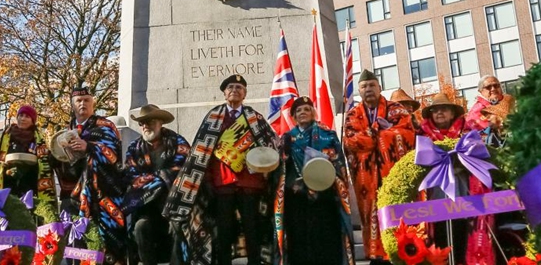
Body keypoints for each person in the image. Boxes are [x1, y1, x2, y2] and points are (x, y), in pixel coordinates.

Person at [163, 74, 278, 265]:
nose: (235, 90)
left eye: (239, 88)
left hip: (250, 185)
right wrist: (207, 181)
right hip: (222, 184)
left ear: (245, 93)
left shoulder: (255, 118)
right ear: (224, 93)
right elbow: (201, 153)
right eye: (230, 87)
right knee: (224, 232)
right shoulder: (213, 117)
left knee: (253, 231)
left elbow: (270, 147)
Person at [343, 69, 415, 262]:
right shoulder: (352, 115)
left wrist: (379, 136)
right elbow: (351, 142)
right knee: (370, 217)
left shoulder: (396, 109)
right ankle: (375, 256)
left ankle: (400, 254)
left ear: (380, 88)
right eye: (364, 86)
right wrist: (380, 132)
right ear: (359, 91)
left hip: (393, 175)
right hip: (367, 179)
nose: (368, 89)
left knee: (399, 216)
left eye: (372, 85)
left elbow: (407, 134)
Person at [50, 86, 126, 265]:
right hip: (72, 197)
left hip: (104, 197)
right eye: (78, 101)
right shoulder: (63, 132)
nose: (82, 104)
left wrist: (89, 147)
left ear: (93, 104)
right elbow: (56, 162)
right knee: (73, 247)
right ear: (72, 105)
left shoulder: (105, 126)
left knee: (109, 249)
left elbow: (114, 154)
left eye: (86, 100)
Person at [276, 97, 355, 265]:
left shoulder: (328, 135)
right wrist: (294, 184)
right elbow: (281, 169)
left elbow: (340, 164)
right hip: (297, 198)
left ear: (313, 113)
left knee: (326, 239)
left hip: (325, 197)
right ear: (293, 116)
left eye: (306, 109)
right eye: (298, 111)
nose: (303, 112)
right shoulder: (287, 139)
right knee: (299, 240)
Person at [122, 105, 190, 265]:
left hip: (174, 206)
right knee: (139, 228)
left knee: (178, 229)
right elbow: (131, 175)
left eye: (150, 121)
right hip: (146, 207)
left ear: (160, 123)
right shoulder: (134, 148)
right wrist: (159, 179)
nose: (145, 126)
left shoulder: (177, 142)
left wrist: (152, 180)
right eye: (142, 123)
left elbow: (182, 169)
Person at [416, 93, 470, 262]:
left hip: (461, 189)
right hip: (435, 190)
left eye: (444, 109)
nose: (439, 113)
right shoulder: (422, 134)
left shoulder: (466, 131)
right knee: (439, 232)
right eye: (435, 110)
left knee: (462, 229)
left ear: (453, 113)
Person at [0, 105, 56, 204]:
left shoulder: (38, 139)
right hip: (7, 185)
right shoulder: (6, 136)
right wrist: (7, 170)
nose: (23, 119)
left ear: (33, 120)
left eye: (27, 117)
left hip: (30, 185)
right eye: (21, 115)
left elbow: (44, 164)